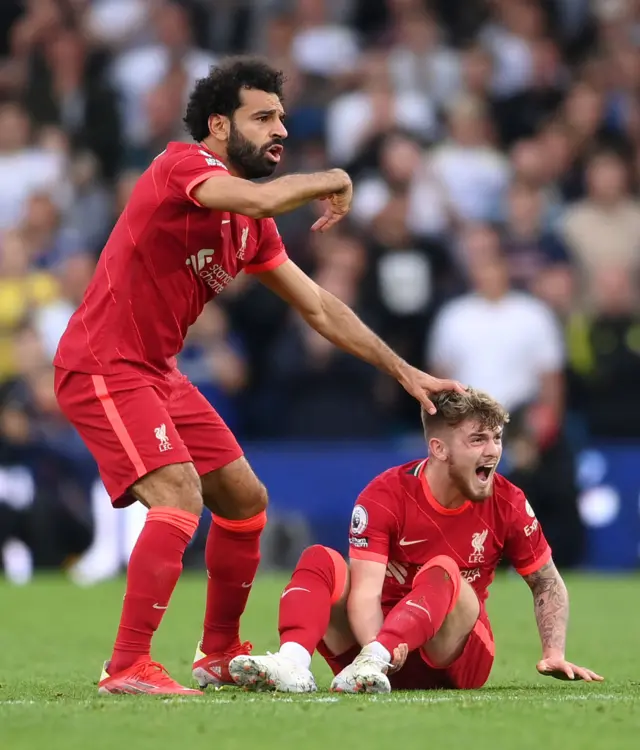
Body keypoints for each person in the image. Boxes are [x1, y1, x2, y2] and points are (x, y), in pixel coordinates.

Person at [53, 56, 461, 696]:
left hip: (156, 372)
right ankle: (127, 665)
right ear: (218, 125)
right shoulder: (181, 166)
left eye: (282, 118)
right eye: (263, 117)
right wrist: (332, 175)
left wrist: (404, 370)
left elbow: (320, 306)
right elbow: (264, 193)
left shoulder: (250, 227)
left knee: (245, 501)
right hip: (103, 363)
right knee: (181, 497)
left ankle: (217, 653)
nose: (280, 130)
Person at [229, 388, 602, 693]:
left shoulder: (508, 501)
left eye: (497, 438)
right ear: (439, 448)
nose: (493, 450)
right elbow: (364, 594)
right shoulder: (385, 495)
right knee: (320, 559)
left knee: (442, 569)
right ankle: (292, 662)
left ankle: (373, 660)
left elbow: (547, 582)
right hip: (374, 651)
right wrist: (377, 653)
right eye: (478, 439)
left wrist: (554, 651)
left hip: (453, 655)